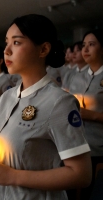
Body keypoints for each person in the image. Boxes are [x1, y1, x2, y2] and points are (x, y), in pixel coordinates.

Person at [0, 14, 92, 200]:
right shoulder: (7, 97)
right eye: (7, 42)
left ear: (43, 49)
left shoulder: (59, 102)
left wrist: (13, 176)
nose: (6, 50)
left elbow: (81, 175)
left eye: (16, 43)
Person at [69, 29, 103, 199]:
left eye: (92, 44)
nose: (86, 49)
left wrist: (91, 115)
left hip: (98, 147)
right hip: (75, 145)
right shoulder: (77, 77)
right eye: (83, 45)